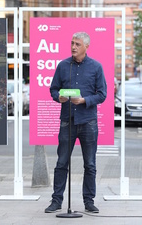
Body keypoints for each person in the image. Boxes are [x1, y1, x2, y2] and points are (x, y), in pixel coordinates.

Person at [45, 32, 107, 213]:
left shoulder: (96, 67)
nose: (73, 47)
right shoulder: (63, 66)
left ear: (86, 46)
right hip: (67, 121)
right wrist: (59, 97)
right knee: (62, 162)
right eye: (72, 43)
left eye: (77, 44)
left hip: (88, 121)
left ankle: (89, 201)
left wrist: (84, 101)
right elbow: (53, 89)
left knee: (90, 164)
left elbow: (102, 94)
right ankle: (56, 201)